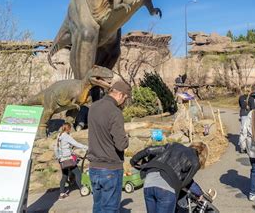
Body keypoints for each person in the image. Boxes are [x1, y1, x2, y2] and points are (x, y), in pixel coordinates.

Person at [88, 80, 130, 213]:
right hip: (110, 168)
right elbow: (121, 145)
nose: (124, 102)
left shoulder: (93, 107)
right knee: (110, 209)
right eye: (125, 98)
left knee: (98, 206)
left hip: (94, 167)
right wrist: (126, 138)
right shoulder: (115, 112)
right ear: (121, 95)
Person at [130, 142, 208, 213]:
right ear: (202, 157)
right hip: (166, 189)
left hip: (149, 182)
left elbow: (149, 150)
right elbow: (186, 183)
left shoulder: (175, 145)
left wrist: (133, 160)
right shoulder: (195, 162)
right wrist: (199, 193)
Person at [55, 122, 88, 199]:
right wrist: (85, 147)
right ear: (68, 128)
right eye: (70, 129)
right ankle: (82, 189)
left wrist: (58, 158)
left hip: (62, 160)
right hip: (68, 159)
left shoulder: (59, 136)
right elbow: (76, 143)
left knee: (64, 176)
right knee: (78, 173)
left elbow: (56, 148)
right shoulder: (66, 136)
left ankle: (62, 193)